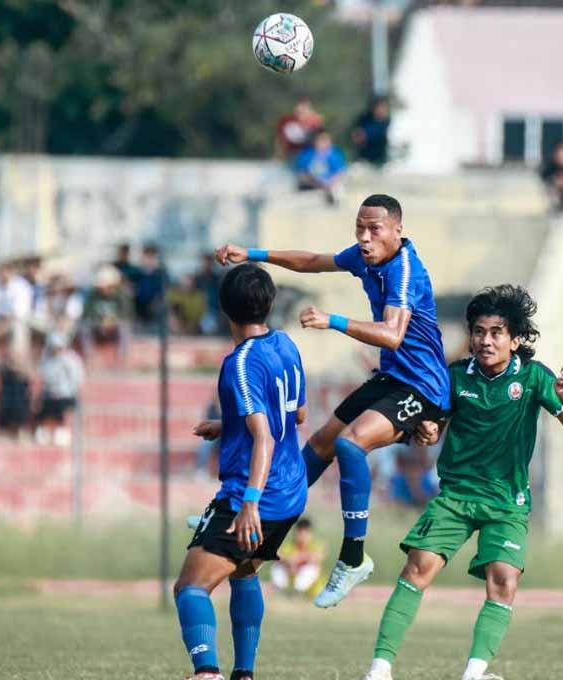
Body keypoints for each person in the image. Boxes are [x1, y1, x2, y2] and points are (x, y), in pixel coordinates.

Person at [215, 193, 451, 609]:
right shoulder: (366, 257)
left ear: (397, 231)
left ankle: (353, 559)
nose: (364, 237)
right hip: (393, 378)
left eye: (374, 230)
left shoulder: (404, 272)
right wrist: (251, 253)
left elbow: (393, 334)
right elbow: (311, 261)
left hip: (423, 388)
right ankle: (252, 519)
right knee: (322, 443)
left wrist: (332, 321)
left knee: (349, 443)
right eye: (359, 228)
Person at [360, 284, 563, 680]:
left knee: (504, 580)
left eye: (496, 333)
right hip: (456, 496)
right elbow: (431, 426)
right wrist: (427, 429)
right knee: (418, 569)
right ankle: (379, 669)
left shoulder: (533, 378)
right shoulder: (451, 377)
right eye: (479, 332)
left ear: (515, 339)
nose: (485, 341)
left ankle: (475, 673)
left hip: (507, 501)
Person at [175, 264, 308, 680]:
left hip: (256, 495)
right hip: (291, 492)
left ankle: (206, 672)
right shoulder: (286, 344)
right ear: (268, 304)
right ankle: (244, 673)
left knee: (190, 589)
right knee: (245, 569)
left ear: (224, 310)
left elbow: (264, 437)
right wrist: (227, 425)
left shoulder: (239, 363)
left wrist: (249, 502)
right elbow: (297, 414)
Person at [35, 333, 85, 447]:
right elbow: (44, 379)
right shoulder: (46, 359)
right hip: (50, 395)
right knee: (43, 405)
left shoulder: (72, 360)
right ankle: (45, 432)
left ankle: (63, 432)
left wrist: (64, 391)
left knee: (62, 405)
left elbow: (77, 380)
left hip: (67, 395)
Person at [80, 265, 132, 363]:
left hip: (114, 327)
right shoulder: (93, 294)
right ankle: (90, 357)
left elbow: (126, 314)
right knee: (84, 326)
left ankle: (122, 359)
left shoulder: (122, 295)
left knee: (124, 327)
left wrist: (112, 321)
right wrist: (101, 322)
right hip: (98, 327)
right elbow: (87, 312)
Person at [270, 518, 326, 597]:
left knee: (312, 567)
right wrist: (289, 561)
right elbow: (277, 555)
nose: (302, 536)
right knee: (277, 566)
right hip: (290, 579)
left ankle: (299, 593)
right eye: (300, 532)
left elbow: (319, 556)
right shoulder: (290, 545)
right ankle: (283, 591)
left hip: (311, 588)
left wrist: (300, 558)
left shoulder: (315, 545)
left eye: (305, 532)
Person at [294, 130, 348, 206]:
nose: (325, 142)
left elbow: (341, 172)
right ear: (314, 141)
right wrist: (316, 183)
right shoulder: (307, 155)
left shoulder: (334, 154)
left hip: (331, 186)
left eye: (327, 139)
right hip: (312, 186)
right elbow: (302, 174)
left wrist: (330, 183)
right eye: (322, 139)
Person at [275, 95, 324, 163]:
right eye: (300, 105)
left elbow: (321, 140)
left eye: (305, 107)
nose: (302, 109)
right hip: (291, 154)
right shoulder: (286, 120)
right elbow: (280, 140)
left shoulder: (315, 121)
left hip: (309, 155)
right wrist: (279, 156)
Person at [133, 243, 168, 327]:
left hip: (155, 304)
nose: (149, 260)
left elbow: (164, 290)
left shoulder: (161, 273)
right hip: (138, 305)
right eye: (147, 256)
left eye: (152, 257)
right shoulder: (136, 272)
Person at [351, 97, 391, 167]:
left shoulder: (386, 122)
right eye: (379, 107)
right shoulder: (364, 119)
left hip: (380, 159)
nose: (381, 110)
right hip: (364, 158)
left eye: (383, 108)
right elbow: (356, 136)